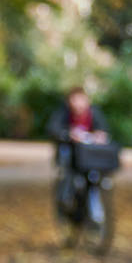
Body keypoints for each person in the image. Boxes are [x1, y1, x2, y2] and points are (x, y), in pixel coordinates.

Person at [46, 87, 111, 217]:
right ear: (69, 101)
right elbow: (53, 129)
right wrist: (68, 134)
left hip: (88, 156)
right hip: (70, 154)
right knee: (66, 160)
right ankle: (65, 197)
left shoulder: (94, 113)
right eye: (75, 100)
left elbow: (103, 130)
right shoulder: (63, 113)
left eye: (81, 99)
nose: (78, 103)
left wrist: (100, 136)